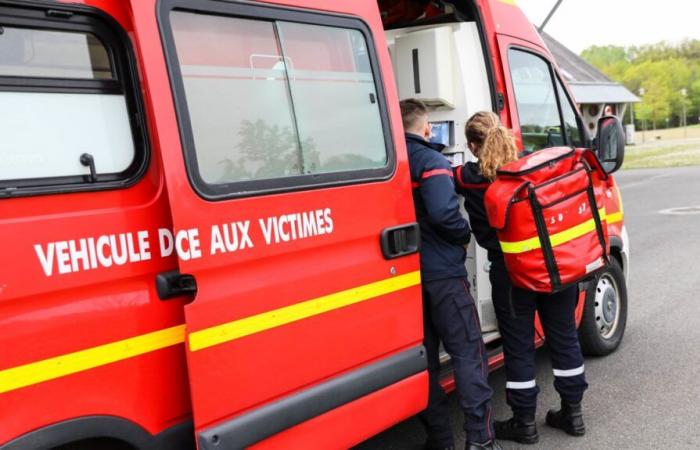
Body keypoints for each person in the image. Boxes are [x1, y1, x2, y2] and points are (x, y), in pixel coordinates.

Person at [454, 111, 588, 445]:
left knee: (518, 347)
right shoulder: (531, 168)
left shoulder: (470, 176)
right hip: (552, 267)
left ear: (472, 145)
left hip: (511, 275)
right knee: (564, 337)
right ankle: (573, 413)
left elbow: (444, 174)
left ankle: (524, 423)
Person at [400, 99, 500, 450]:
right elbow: (445, 214)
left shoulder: (392, 163)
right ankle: (480, 440)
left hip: (406, 278)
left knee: (426, 361)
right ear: (426, 127)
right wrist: (462, 237)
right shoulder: (432, 162)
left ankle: (440, 439)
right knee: (468, 354)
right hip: (444, 274)